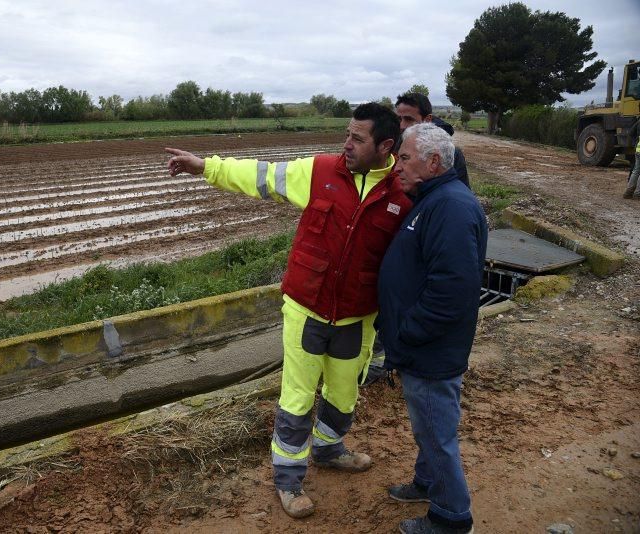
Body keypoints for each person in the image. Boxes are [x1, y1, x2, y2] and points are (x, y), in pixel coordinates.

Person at [165, 103, 412, 519]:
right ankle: (288, 480)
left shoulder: (402, 194)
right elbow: (260, 175)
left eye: (357, 138)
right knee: (297, 397)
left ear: (385, 145)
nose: (346, 144)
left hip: (357, 316)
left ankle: (330, 449)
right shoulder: (318, 172)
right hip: (307, 309)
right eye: (346, 134)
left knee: (345, 391)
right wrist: (204, 166)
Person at [376, 123, 487, 534]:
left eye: (404, 158)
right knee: (429, 422)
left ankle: (451, 517)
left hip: (430, 349)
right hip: (424, 346)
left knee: (437, 432)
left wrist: (407, 332)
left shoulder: (450, 207)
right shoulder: (434, 198)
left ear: (434, 161)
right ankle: (426, 482)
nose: (396, 166)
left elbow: (452, 290)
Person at [363, 92, 472, 387]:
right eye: (398, 118)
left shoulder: (448, 176)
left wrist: (410, 331)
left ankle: (395, 357)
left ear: (426, 120)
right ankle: (386, 360)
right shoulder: (398, 149)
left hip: (424, 333)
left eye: (408, 119)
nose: (400, 125)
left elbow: (450, 276)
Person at [623, 117, 640, 199]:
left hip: (638, 149)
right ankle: (638, 193)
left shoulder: (638, 121)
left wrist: (635, 143)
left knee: (636, 171)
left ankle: (628, 192)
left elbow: (630, 133)